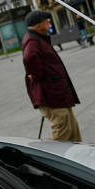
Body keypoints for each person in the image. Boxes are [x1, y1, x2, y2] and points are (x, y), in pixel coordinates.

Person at [22, 10, 82, 142]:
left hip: (57, 93)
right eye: (46, 21)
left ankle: (77, 155)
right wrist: (38, 75)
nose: (49, 23)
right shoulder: (33, 41)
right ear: (38, 26)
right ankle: (45, 159)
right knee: (62, 130)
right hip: (50, 94)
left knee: (72, 129)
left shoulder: (37, 38)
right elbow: (29, 58)